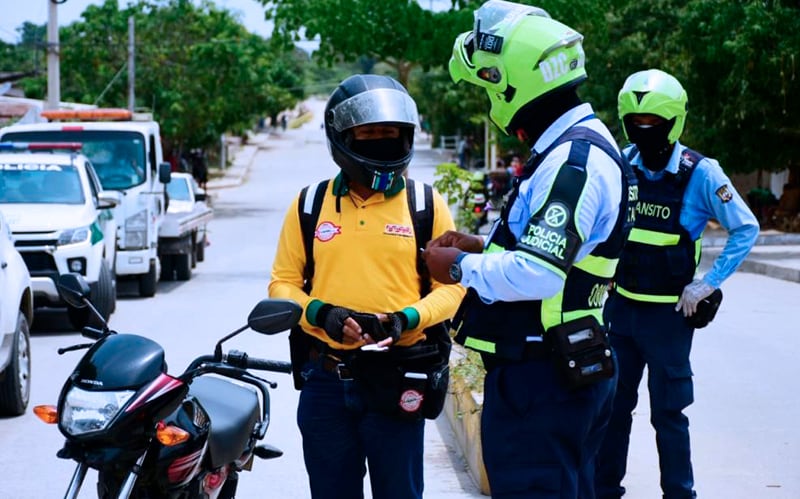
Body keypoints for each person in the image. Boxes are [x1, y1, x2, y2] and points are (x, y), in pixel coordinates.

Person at [422, 1, 638, 497]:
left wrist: (459, 267)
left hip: (543, 382)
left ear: (513, 82)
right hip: (561, 370)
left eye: (488, 85)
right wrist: (482, 244)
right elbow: (562, 249)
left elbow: (541, 273)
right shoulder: (578, 146)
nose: (488, 100)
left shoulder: (573, 163)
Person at [268, 74, 465, 499]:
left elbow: (452, 289)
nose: (382, 141)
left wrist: (405, 318)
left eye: (390, 133)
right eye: (369, 133)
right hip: (326, 381)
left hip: (397, 379)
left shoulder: (426, 206)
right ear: (342, 138)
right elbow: (282, 285)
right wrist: (325, 315)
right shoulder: (308, 205)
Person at [594, 69, 759, 499]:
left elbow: (746, 227)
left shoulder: (701, 173)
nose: (644, 133)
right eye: (636, 125)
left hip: (669, 318)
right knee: (612, 410)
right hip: (621, 311)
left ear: (675, 122)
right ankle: (604, 490)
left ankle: (679, 494)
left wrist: (708, 283)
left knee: (668, 415)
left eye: (655, 125)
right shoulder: (619, 162)